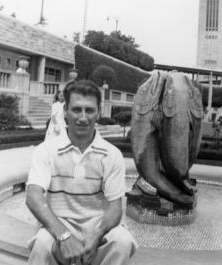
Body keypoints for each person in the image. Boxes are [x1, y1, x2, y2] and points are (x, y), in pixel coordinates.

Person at [26, 79, 138, 265]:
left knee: (122, 241)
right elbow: (33, 196)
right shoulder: (46, 150)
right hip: (59, 222)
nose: (83, 117)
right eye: (77, 109)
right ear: (65, 111)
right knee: (42, 243)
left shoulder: (111, 155)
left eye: (90, 110)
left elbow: (115, 208)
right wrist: (63, 234)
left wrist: (96, 236)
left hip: (97, 226)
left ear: (99, 113)